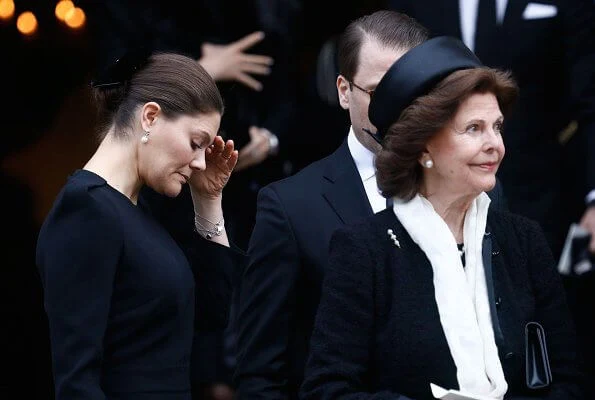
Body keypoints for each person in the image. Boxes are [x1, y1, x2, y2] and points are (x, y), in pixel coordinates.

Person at [234, 11, 507, 399]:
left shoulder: (481, 187)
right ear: (344, 91)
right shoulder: (291, 207)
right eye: (381, 92)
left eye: (418, 92)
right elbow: (261, 373)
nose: (400, 107)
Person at [300, 37, 583, 400]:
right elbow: (327, 389)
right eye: (474, 129)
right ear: (423, 146)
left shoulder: (524, 242)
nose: (494, 144)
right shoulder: (365, 250)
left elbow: (568, 379)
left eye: (496, 127)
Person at [36, 51, 244, 400]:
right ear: (150, 117)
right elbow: (77, 381)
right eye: (196, 144)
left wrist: (208, 199)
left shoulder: (139, 208)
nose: (198, 162)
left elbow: (210, 314)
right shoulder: (85, 209)